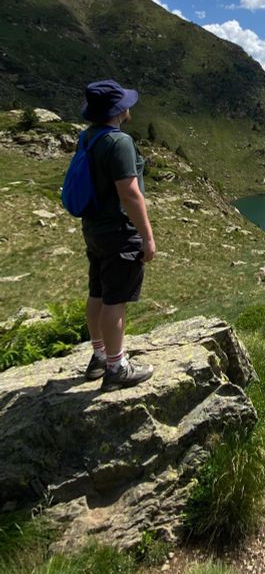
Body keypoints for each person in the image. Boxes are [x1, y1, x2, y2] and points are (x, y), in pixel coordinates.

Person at [80, 79, 156, 391]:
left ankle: (99, 356)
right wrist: (147, 236)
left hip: (94, 230)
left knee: (97, 292)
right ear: (119, 109)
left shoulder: (89, 137)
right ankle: (116, 368)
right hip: (120, 233)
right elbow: (130, 193)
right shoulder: (119, 142)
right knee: (116, 301)